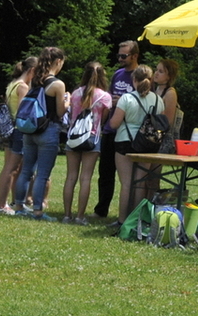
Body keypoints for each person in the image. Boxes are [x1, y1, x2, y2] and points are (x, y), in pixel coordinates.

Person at [12, 46, 67, 221]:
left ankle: (19, 206)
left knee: (26, 170)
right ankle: (37, 211)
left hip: (30, 129)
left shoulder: (35, 80)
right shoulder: (57, 84)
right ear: (58, 61)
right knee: (42, 174)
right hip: (48, 130)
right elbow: (60, 112)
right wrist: (67, 102)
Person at [107, 64, 163, 222]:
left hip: (125, 141)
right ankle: (136, 220)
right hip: (148, 143)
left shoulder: (126, 98)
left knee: (126, 184)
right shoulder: (158, 100)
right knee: (140, 183)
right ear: (151, 80)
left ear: (134, 80)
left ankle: (122, 220)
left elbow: (114, 124)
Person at [60, 61, 110, 224]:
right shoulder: (105, 97)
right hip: (92, 138)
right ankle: (80, 216)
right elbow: (103, 119)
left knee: (70, 177)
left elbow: (71, 114)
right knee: (86, 178)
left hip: (73, 138)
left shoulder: (76, 93)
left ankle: (67, 215)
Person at [94, 39, 138, 217]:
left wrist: (124, 102)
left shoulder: (140, 76)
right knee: (105, 172)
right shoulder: (118, 74)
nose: (120, 59)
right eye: (118, 55)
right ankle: (101, 210)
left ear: (134, 56)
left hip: (127, 133)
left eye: (124, 56)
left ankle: (128, 213)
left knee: (127, 177)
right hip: (110, 129)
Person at [0, 56, 35, 214]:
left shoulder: (13, 84)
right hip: (19, 130)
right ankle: (1, 205)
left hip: (11, 129)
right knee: (12, 169)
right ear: (32, 70)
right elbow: (24, 111)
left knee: (10, 168)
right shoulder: (22, 87)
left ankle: (14, 203)